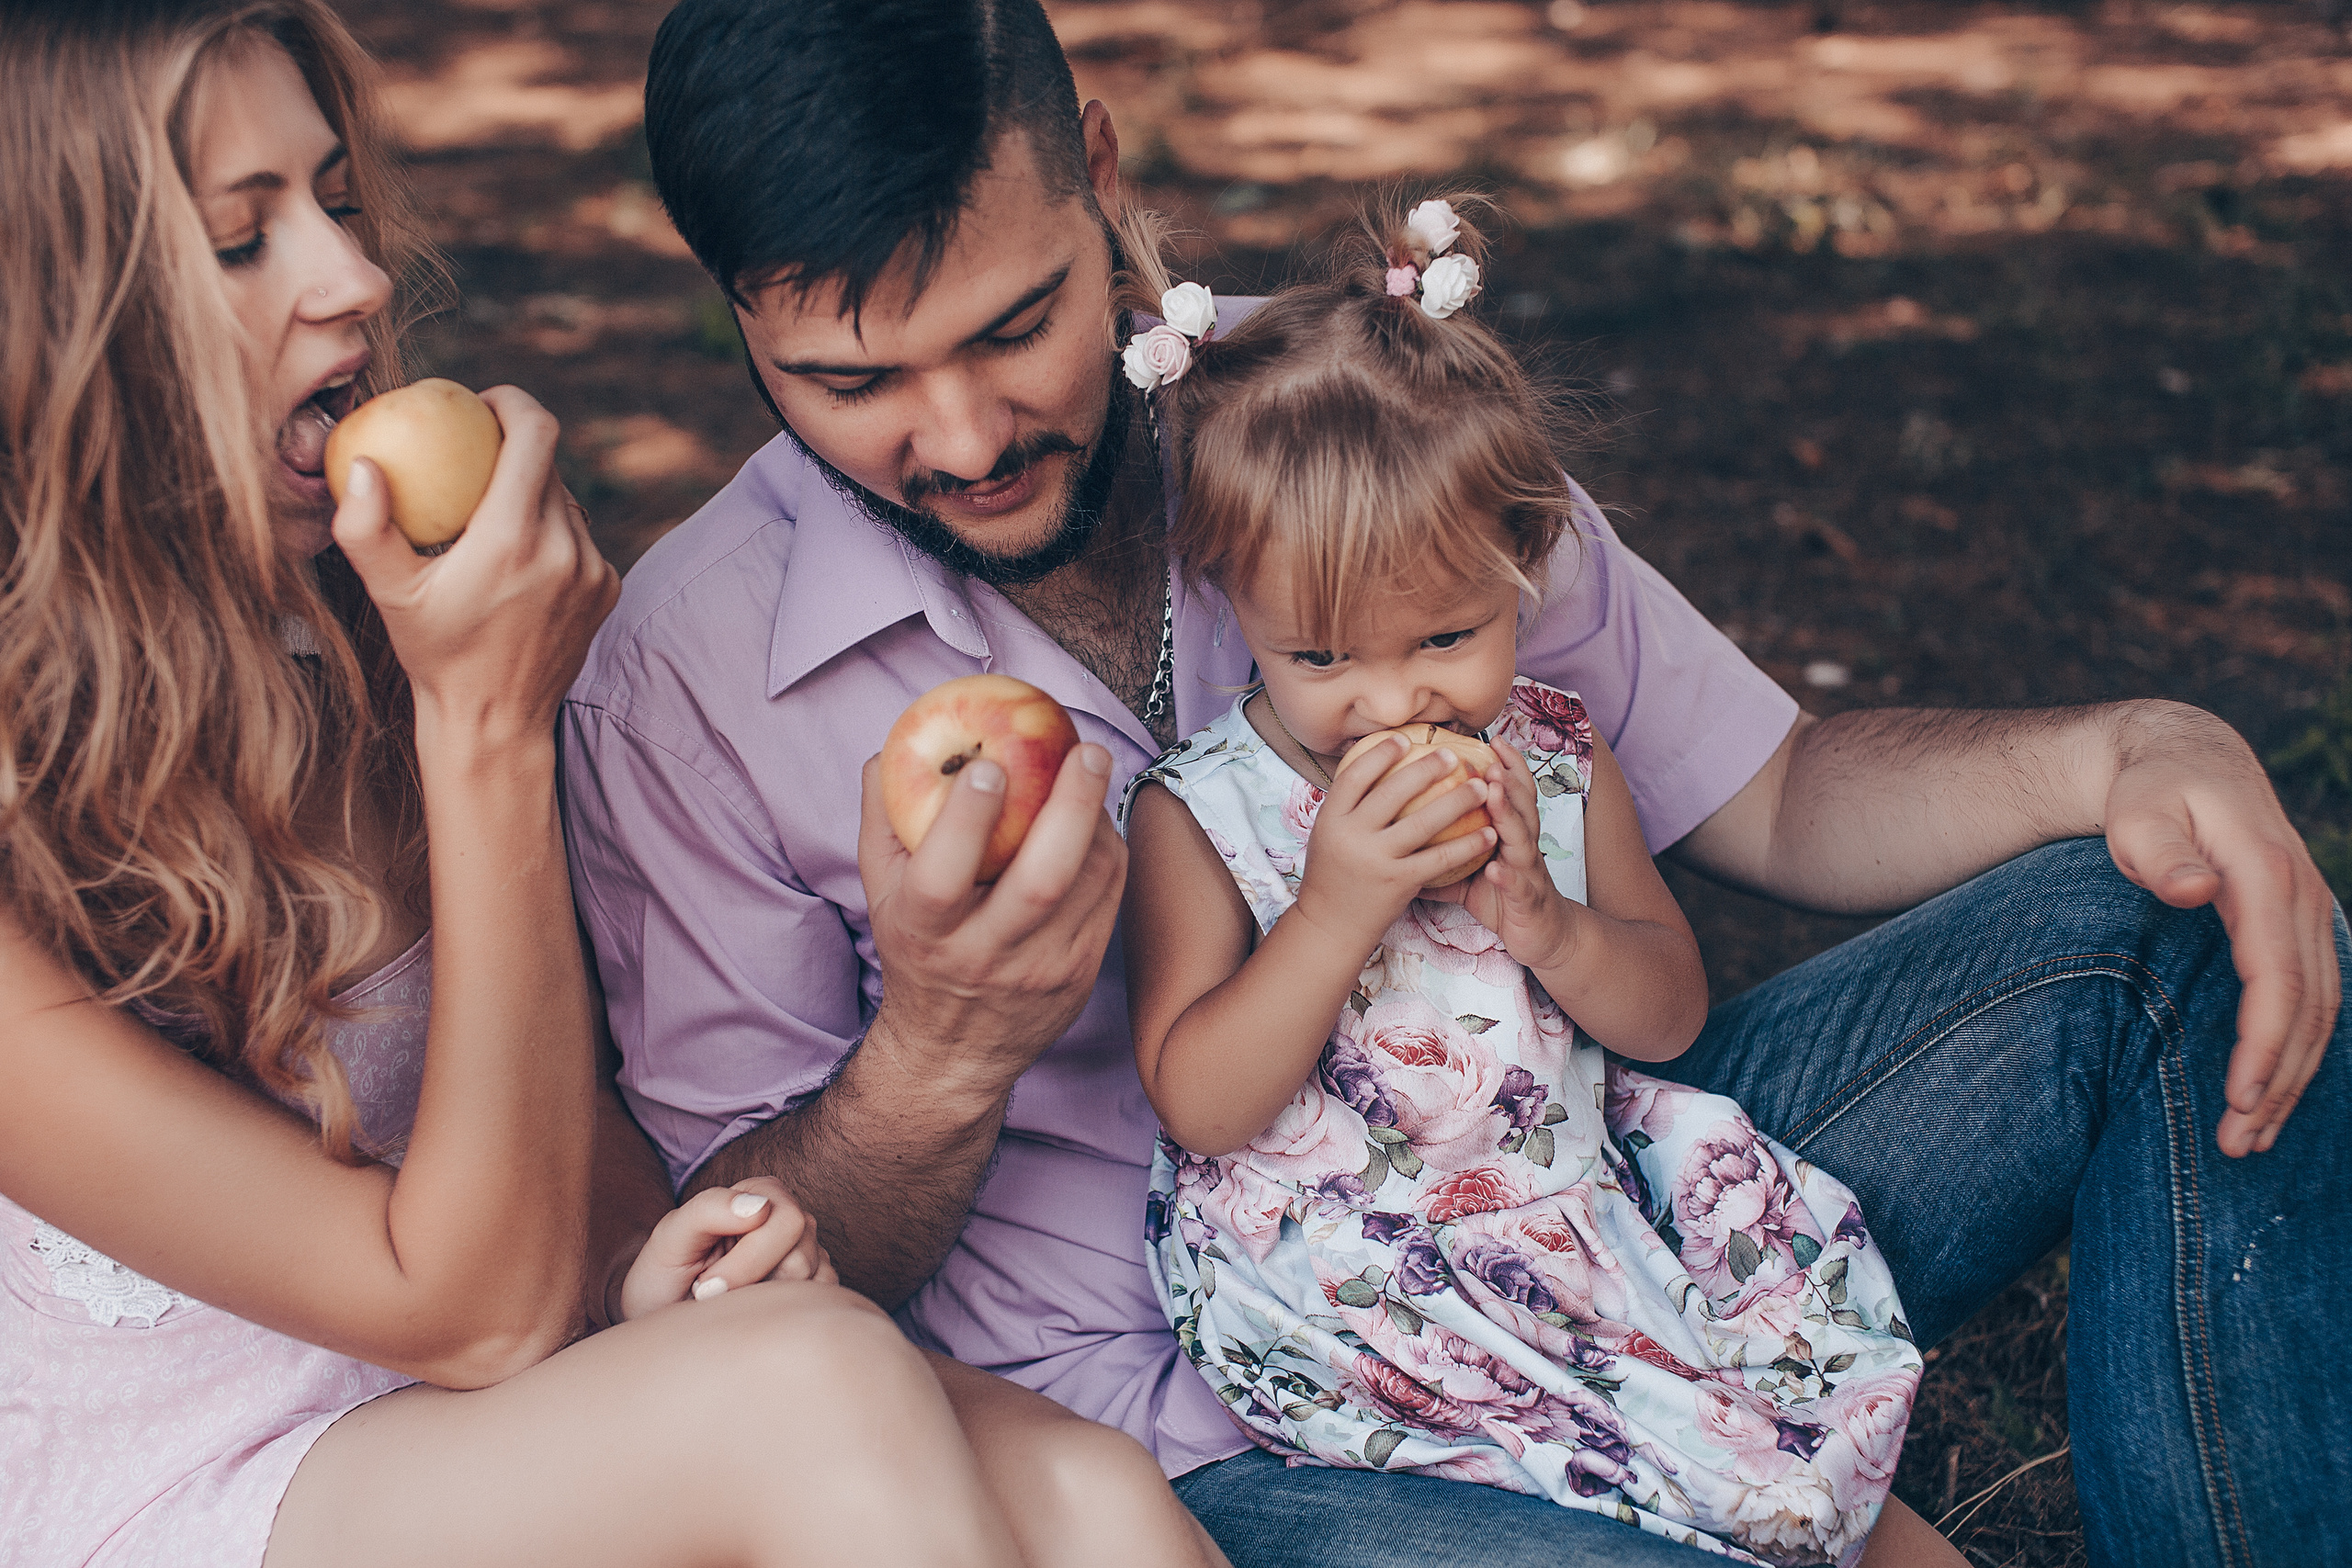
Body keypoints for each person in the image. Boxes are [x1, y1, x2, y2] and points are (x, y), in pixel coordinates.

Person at [563, 1, 2350, 1564]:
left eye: (1013, 323)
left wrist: (2111, 747)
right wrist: (938, 1048)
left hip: (1583, 1207)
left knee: (2170, 910)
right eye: (852, 380)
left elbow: (1775, 787)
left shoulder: (1354, 427)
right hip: (1221, 1441)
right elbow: (754, 1311)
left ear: (1095, 173)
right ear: (738, 317)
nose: (959, 438)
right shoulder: (686, 682)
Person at [0, 6, 1226, 1566]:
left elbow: (557, 1162)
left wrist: (670, 1257)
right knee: (809, 1390)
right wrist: (490, 732)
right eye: (243, 243)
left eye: (336, 200)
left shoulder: (368, 631)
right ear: (53, 319)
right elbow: (465, 1311)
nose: (354, 279)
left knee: (1096, 1503)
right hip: (214, 1486)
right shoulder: (435, 684)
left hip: (493, 1411)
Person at [1116, 197, 1953, 1568]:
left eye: (1446, 634)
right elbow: (1197, 1100)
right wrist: (1333, 910)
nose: (1389, 699)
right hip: (1349, 1294)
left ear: (1528, 568)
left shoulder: (1556, 760)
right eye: (1321, 658)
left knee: (1776, 1463)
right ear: (1231, 601)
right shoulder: (1205, 814)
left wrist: (1546, 922)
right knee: (1653, 1497)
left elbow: (1671, 1011)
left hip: (1566, 1232)